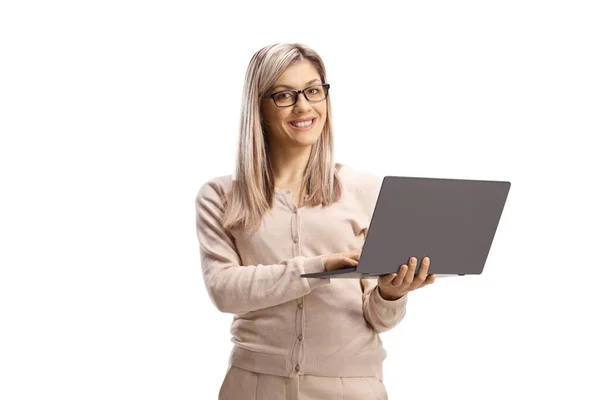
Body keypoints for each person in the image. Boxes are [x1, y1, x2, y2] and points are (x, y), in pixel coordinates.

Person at [195, 43, 436, 400]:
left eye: (313, 90)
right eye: (284, 95)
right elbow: (224, 291)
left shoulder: (363, 188)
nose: (303, 106)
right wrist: (317, 268)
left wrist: (392, 293)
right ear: (258, 106)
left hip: (352, 387)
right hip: (253, 385)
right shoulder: (221, 196)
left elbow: (380, 318)